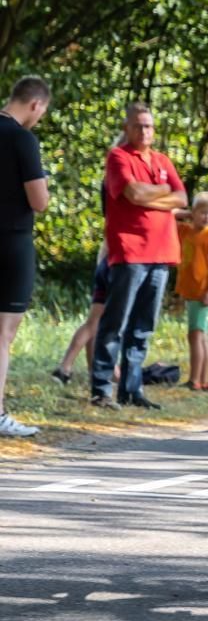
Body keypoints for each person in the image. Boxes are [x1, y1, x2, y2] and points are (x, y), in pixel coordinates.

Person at [90, 102, 187, 410]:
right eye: (138, 125)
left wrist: (151, 194)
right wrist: (162, 193)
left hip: (162, 253)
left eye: (149, 125)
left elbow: (183, 197)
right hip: (129, 252)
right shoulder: (118, 157)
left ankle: (132, 390)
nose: (144, 131)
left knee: (143, 327)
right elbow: (132, 194)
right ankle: (102, 389)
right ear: (126, 128)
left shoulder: (162, 159)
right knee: (115, 324)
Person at [0, 76, 52, 437]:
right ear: (36, 104)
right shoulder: (22, 139)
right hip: (11, 242)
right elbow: (40, 201)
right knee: (3, 332)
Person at [175, 191, 208, 391]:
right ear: (193, 212)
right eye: (202, 212)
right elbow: (169, 216)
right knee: (199, 335)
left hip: (203, 292)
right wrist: (187, 214)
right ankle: (201, 380)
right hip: (190, 290)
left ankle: (195, 380)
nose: (207, 217)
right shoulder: (185, 231)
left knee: (196, 334)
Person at [51, 242, 115, 385]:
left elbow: (105, 241)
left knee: (94, 324)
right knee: (94, 323)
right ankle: (64, 368)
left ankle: (93, 371)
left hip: (105, 264)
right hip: (115, 265)